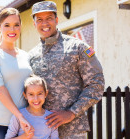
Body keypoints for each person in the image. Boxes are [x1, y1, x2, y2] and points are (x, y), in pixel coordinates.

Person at [28, 1, 105, 138]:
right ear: (34, 24)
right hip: (41, 131)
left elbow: (96, 84)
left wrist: (72, 112)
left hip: (72, 130)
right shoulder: (31, 56)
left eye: (49, 18)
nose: (44, 23)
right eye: (39, 19)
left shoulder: (78, 48)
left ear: (56, 20)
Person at [0, 8, 33, 139]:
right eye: (7, 25)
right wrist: (20, 116)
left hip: (23, 122)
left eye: (16, 25)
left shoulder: (25, 55)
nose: (12, 29)